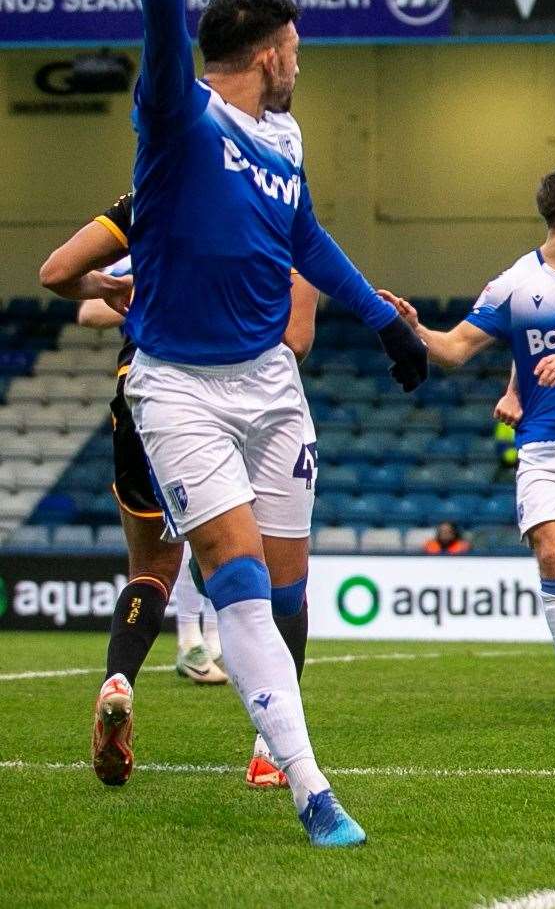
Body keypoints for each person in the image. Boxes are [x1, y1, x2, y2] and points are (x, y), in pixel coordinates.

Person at [113, 0, 426, 847]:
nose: (303, 62)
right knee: (238, 573)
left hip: (271, 384)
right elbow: (164, 44)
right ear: (269, 53)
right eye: (296, 48)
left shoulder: (285, 141)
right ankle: (310, 784)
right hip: (180, 388)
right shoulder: (180, 118)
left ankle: (272, 737)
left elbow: (304, 234)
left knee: (288, 587)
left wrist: (383, 320)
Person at [40, 191, 319, 786]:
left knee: (152, 566)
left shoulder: (149, 200)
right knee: (267, 576)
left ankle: (121, 680)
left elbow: (60, 277)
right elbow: (297, 338)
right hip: (232, 399)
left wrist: (125, 287)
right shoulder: (272, 200)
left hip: (142, 395)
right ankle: (271, 747)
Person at [385, 169, 555, 724]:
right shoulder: (515, 284)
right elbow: (455, 349)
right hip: (544, 446)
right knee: (553, 554)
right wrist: (416, 329)